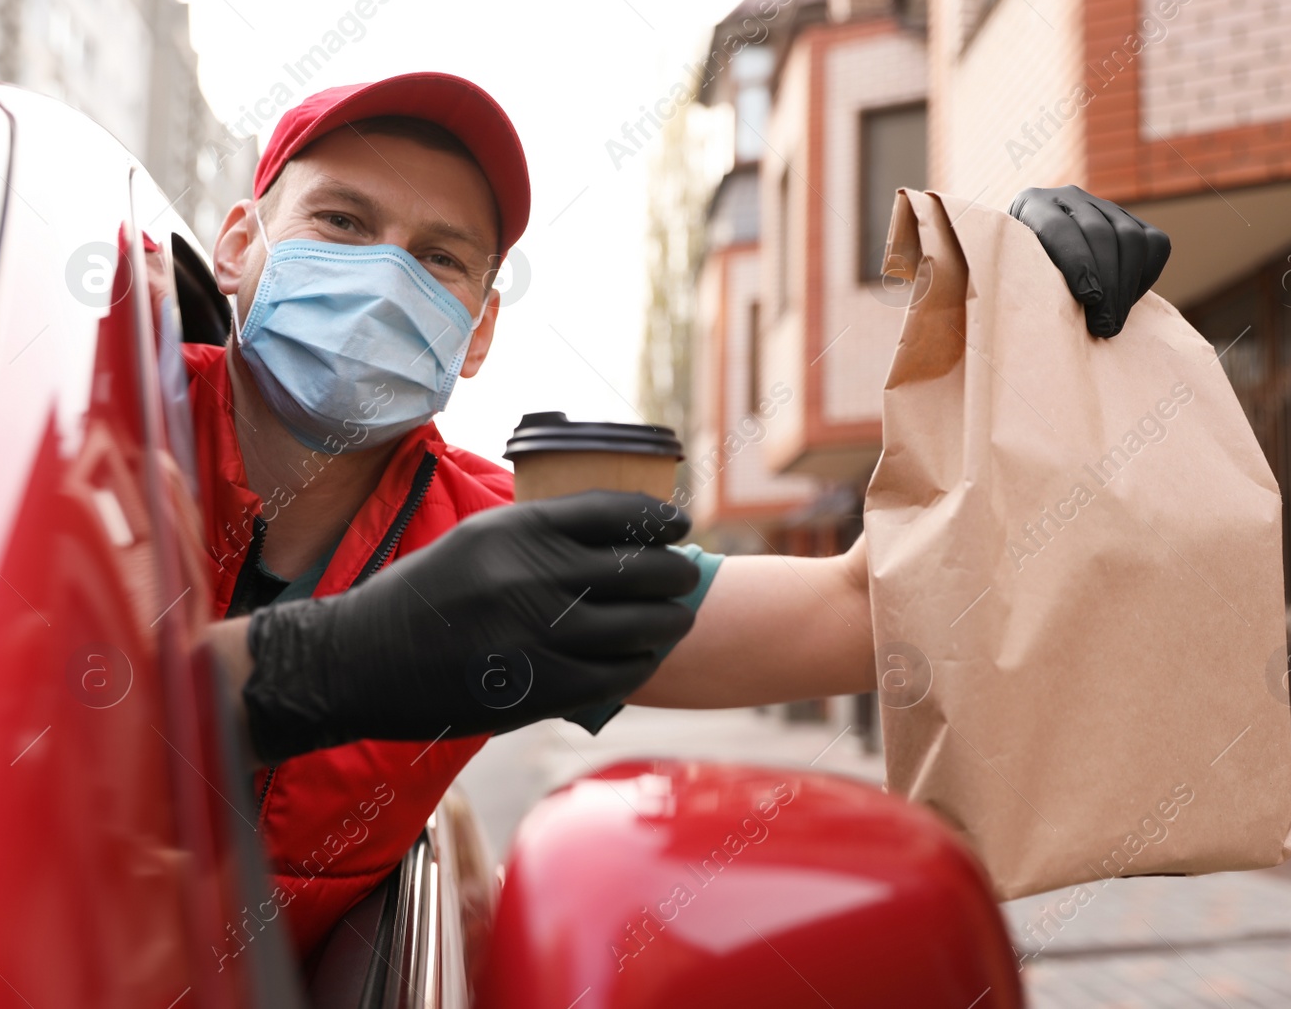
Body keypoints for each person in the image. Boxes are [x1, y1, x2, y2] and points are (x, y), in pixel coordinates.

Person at [189, 72, 1170, 959]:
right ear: (238, 246)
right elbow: (47, 703)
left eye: (438, 258)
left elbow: (864, 608)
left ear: (477, 329)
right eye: (344, 224)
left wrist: (1006, 336)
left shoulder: (501, 540)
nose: (385, 278)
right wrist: (322, 666)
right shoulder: (83, 416)